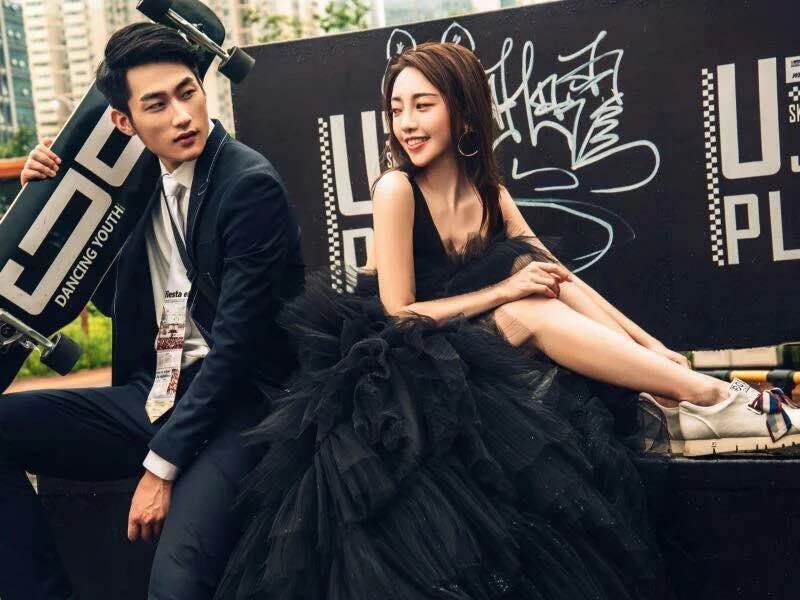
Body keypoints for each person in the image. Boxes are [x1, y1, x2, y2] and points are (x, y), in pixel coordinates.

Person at [214, 42, 796, 599]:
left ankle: (689, 392)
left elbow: (561, 277)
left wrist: (651, 344)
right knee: (523, 305)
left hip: (473, 345)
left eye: (423, 105)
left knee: (538, 292)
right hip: (396, 367)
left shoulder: (488, 190)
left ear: (464, 114)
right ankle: (710, 398)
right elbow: (400, 313)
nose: (407, 123)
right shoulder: (396, 189)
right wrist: (503, 290)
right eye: (396, 109)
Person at [0, 23, 303, 599]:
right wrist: (50, 198)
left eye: (188, 93)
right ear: (124, 122)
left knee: (175, 581)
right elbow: (110, 297)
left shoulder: (248, 184)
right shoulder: (138, 184)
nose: (182, 117)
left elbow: (237, 350)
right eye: (157, 105)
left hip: (237, 405)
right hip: (155, 393)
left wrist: (160, 467)